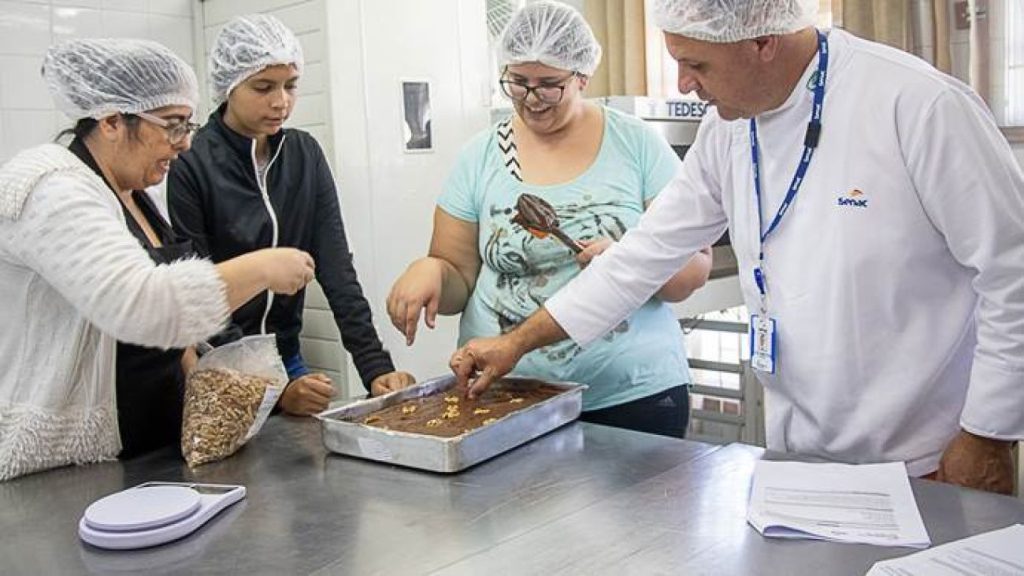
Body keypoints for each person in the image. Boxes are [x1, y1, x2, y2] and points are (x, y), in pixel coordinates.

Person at [449, 0, 1024, 494]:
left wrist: (987, 434)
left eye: (695, 64)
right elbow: (640, 256)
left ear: (763, 42)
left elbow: (1013, 272)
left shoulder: (918, 106)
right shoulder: (728, 128)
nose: (683, 85)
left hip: (927, 458)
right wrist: (516, 343)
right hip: (799, 455)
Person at [387, 1, 712, 438]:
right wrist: (429, 271)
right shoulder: (480, 156)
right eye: (518, 83)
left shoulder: (636, 145)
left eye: (549, 85)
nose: (531, 99)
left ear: (582, 76)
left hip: (628, 395)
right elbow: (458, 279)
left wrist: (629, 261)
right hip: (505, 393)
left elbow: (694, 268)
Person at [0, 39, 316, 481]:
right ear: (112, 120)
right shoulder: (52, 187)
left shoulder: (135, 193)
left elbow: (171, 335)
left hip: (150, 455)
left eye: (188, 126)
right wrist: (262, 267)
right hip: (62, 471)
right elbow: (142, 304)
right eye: (172, 125)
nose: (185, 144)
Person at [168, 15, 414, 415]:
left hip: (287, 359)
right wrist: (271, 391)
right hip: (217, 370)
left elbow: (337, 270)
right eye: (263, 87)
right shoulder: (190, 163)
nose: (281, 101)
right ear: (229, 87)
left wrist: (375, 367)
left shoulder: (304, 155)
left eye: (290, 85)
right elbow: (197, 292)